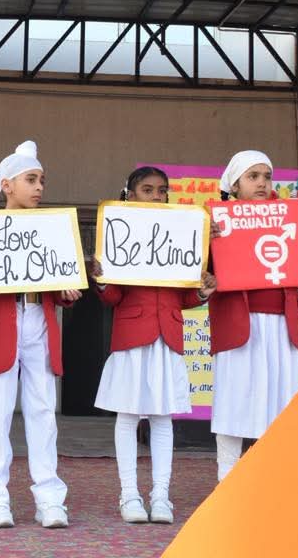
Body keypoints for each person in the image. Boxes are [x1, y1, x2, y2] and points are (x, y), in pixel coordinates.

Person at [0, 140, 82, 529]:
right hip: (2, 327)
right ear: (7, 185)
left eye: (42, 179)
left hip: (41, 324)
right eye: (31, 179)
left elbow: (63, 285)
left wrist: (68, 291)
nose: (39, 186)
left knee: (43, 413)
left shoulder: (53, 228)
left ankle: (49, 497)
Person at [88, 166, 216, 525]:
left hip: (169, 338)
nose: (157, 197)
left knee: (163, 419)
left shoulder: (181, 232)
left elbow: (185, 297)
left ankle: (161, 496)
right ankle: (129, 494)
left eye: (162, 191)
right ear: (129, 195)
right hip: (131, 337)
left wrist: (202, 292)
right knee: (128, 417)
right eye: (148, 190)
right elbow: (113, 296)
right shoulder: (120, 232)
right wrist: (100, 281)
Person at [208, 150, 298, 481]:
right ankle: (227, 481)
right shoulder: (218, 222)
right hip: (238, 327)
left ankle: (275, 483)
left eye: (266, 176)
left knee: (281, 403)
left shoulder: (291, 218)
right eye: (253, 176)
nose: (262, 182)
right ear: (234, 185)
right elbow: (203, 274)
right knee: (235, 402)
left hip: (281, 327)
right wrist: (208, 244)